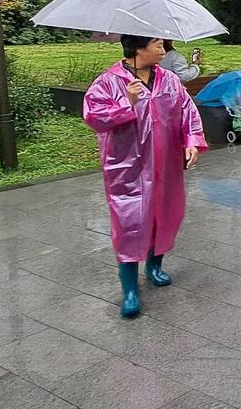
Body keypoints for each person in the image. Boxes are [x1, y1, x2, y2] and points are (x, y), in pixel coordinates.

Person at [83, 35, 206, 318]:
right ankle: (129, 288)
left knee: (163, 214)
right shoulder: (109, 82)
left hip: (165, 163)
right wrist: (126, 102)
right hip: (126, 166)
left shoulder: (169, 80)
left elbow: (187, 111)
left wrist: (191, 141)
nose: (163, 50)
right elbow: (94, 118)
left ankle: (154, 266)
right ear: (139, 48)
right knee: (129, 221)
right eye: (158, 45)